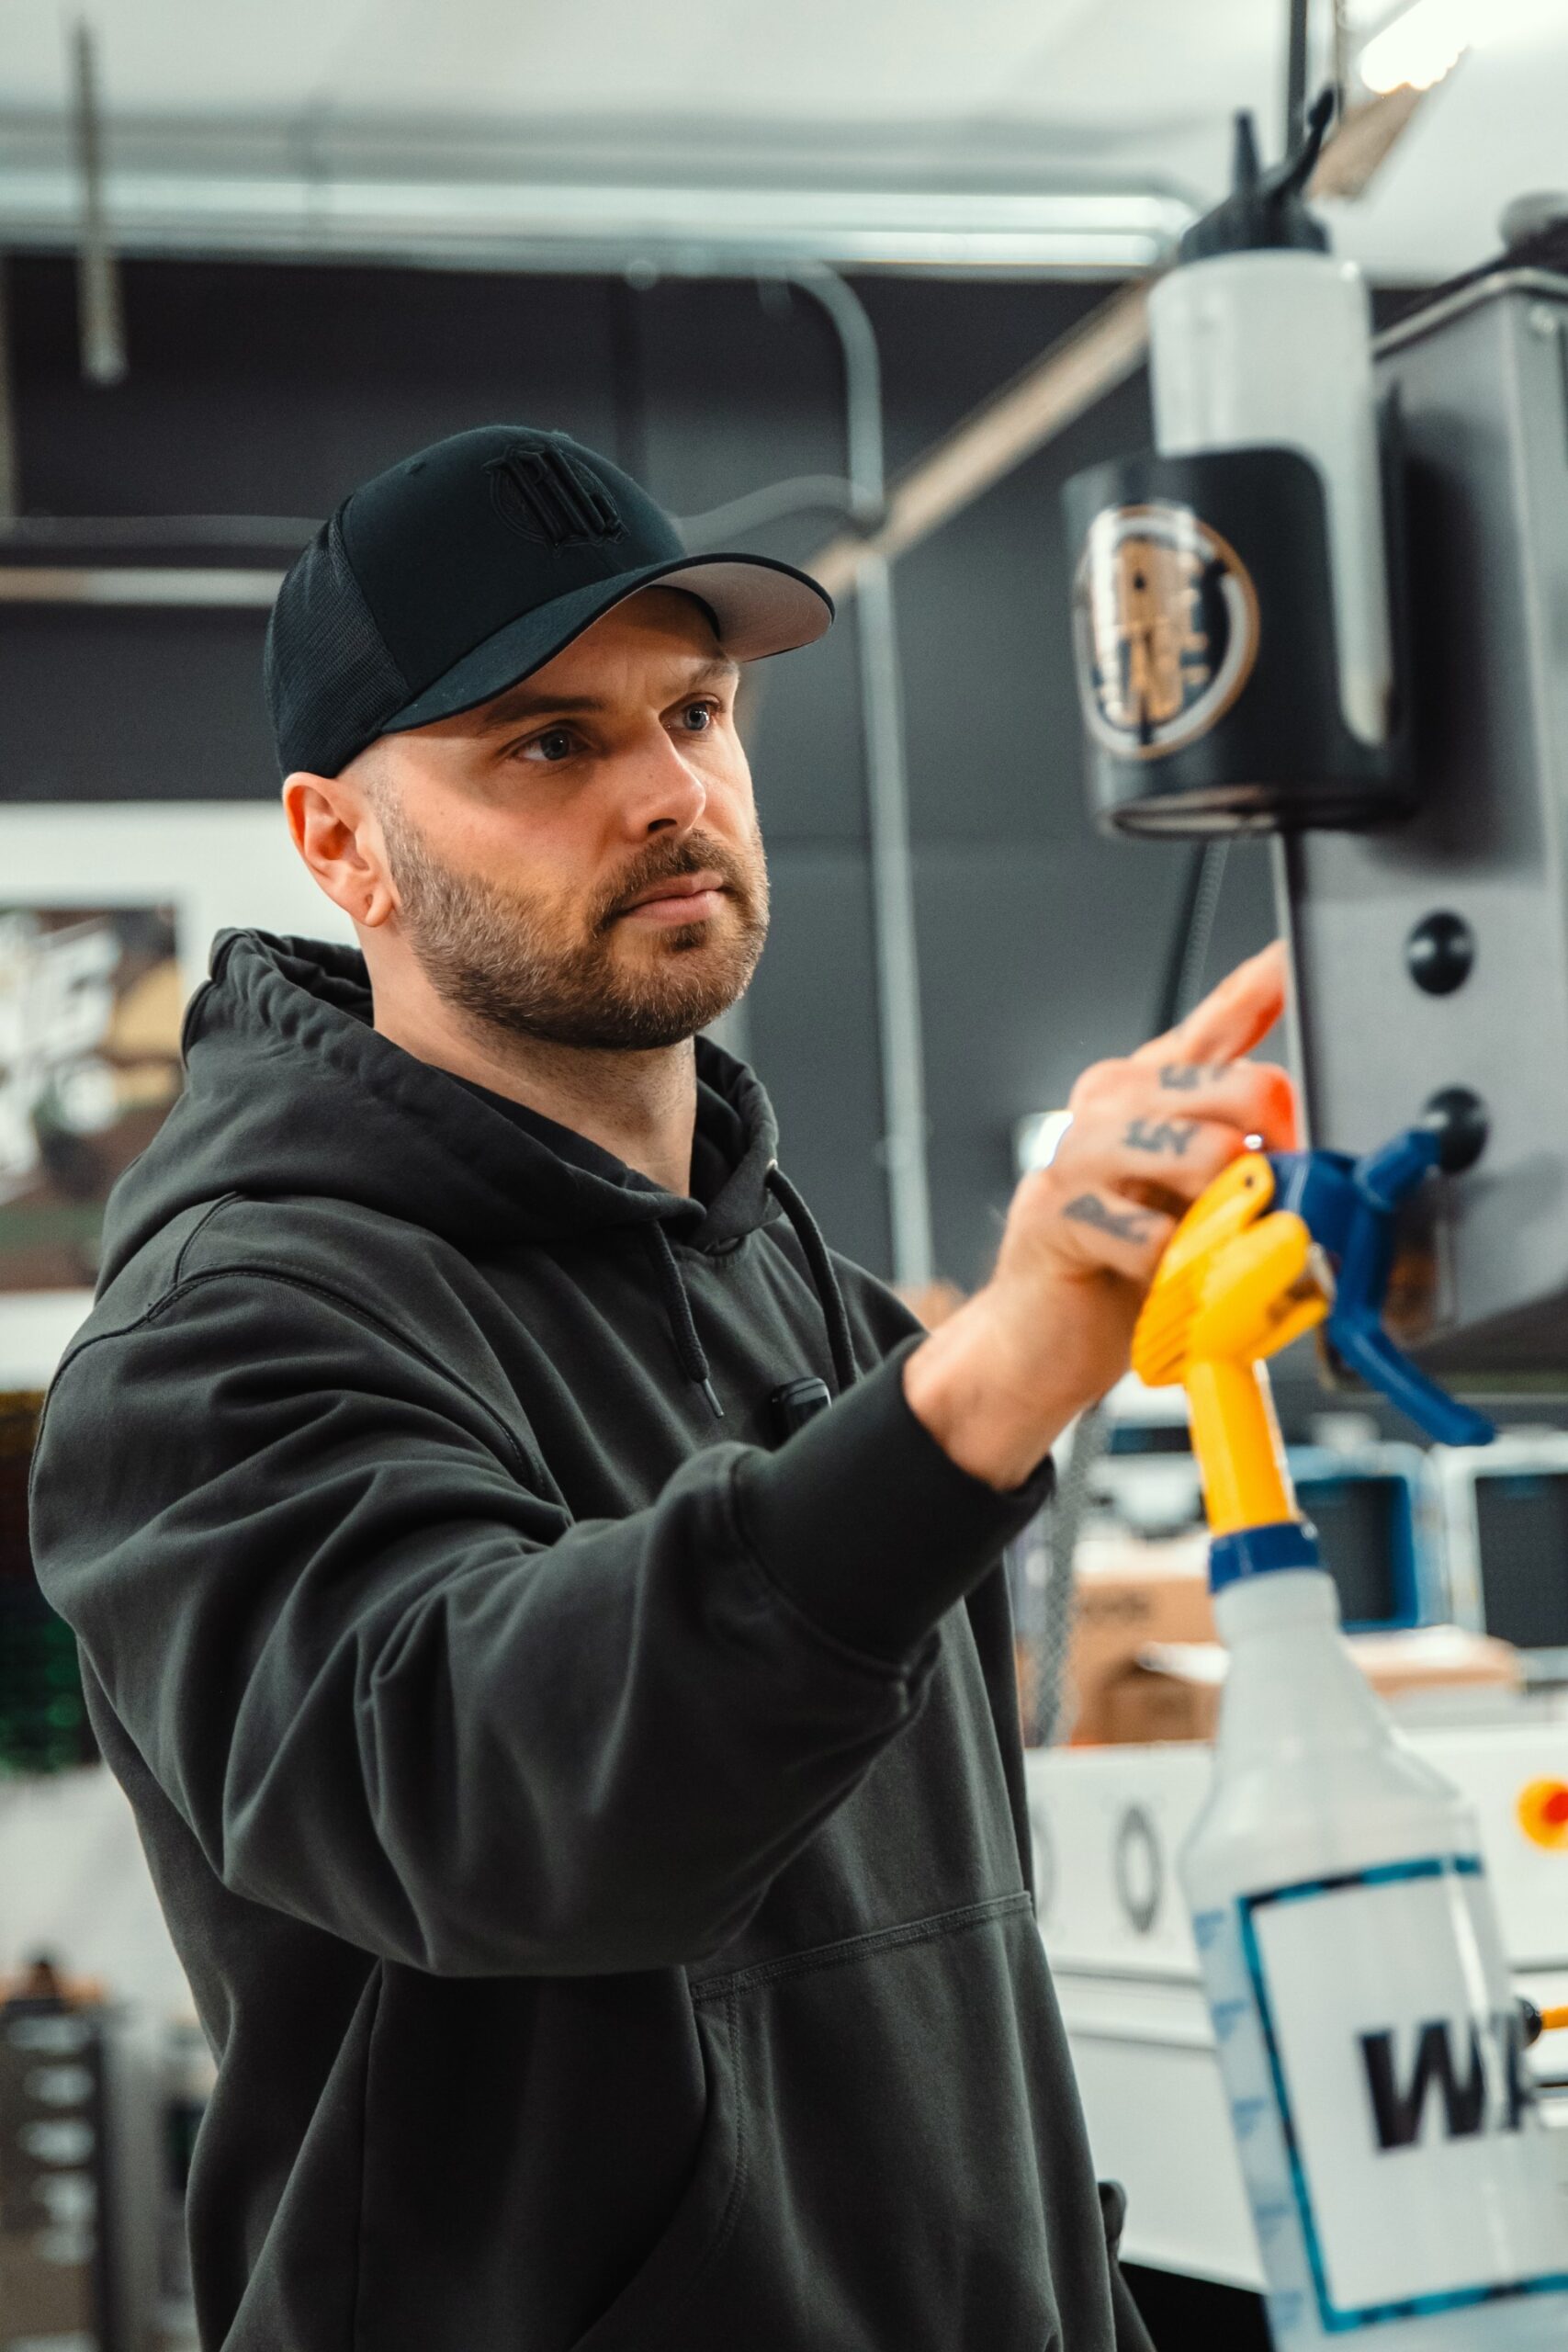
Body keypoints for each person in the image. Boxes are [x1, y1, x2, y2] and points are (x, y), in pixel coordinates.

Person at [28, 426, 1292, 2352]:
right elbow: (492, 1801)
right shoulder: (226, 1327)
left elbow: (951, 1987)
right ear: (339, 840)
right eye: (549, 743)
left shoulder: (818, 1298)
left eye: (695, 711)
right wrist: (992, 1375)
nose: (668, 791)